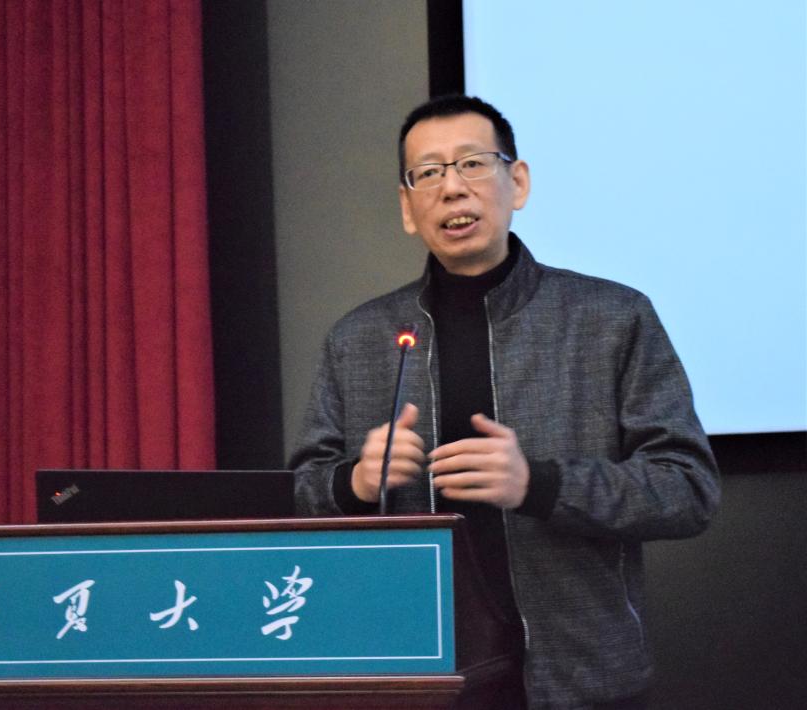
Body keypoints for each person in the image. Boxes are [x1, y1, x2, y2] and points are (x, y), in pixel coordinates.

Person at [289, 95, 721, 710]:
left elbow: (687, 490)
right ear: (407, 207)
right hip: (415, 674)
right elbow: (302, 492)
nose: (452, 188)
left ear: (517, 183)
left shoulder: (611, 319)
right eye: (428, 173)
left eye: (472, 163)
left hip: (580, 676)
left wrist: (539, 485)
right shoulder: (358, 339)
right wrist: (354, 482)